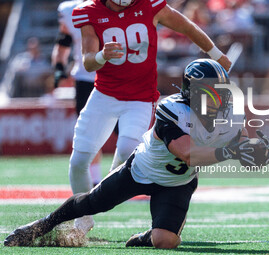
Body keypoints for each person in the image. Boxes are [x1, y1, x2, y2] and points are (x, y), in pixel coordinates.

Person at [4, 59, 269, 249]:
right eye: (211, 93)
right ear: (191, 92)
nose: (219, 100)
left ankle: (146, 237)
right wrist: (232, 151)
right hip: (142, 169)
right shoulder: (173, 109)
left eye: (222, 92)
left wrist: (255, 151)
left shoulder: (232, 113)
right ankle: (41, 225)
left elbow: (238, 143)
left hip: (178, 183)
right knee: (92, 202)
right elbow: (186, 153)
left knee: (166, 242)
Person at [67, 0, 232, 236]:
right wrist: (102, 55)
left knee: (126, 152)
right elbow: (88, 60)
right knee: (79, 161)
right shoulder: (88, 11)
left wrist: (216, 53)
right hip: (104, 95)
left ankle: (105, 193)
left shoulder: (149, 5)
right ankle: (82, 219)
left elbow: (186, 26)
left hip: (140, 99)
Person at [52, 0, 103, 188]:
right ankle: (95, 179)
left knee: (125, 132)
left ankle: (134, 178)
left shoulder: (115, 6)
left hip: (115, 77)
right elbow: (63, 42)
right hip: (85, 79)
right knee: (89, 132)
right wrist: (59, 66)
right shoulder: (68, 10)